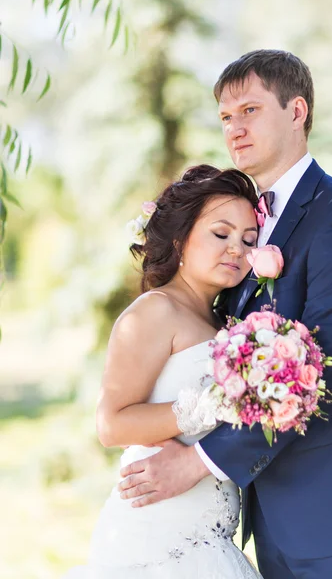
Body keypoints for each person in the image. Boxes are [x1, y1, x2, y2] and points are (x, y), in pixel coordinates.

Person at [119, 50, 332, 579]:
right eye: (225, 117)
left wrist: (198, 462)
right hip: (271, 518)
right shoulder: (245, 229)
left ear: (297, 111)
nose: (234, 129)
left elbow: (319, 366)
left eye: (249, 110)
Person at [63, 164, 263, 578]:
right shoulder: (155, 311)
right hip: (157, 534)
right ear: (180, 238)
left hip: (210, 535)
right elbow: (111, 425)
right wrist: (215, 404)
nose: (237, 250)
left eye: (249, 240)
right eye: (220, 234)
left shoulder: (224, 321)